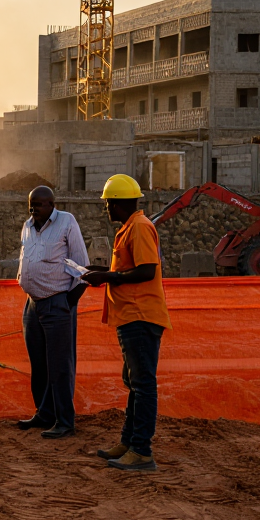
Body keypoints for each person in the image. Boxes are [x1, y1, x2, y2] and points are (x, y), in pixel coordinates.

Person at [83, 174, 171, 472]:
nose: (106, 209)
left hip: (141, 316)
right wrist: (101, 271)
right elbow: (130, 268)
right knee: (134, 383)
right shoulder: (129, 228)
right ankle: (129, 442)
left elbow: (147, 271)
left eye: (107, 204)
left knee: (143, 385)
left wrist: (106, 277)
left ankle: (142, 451)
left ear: (117, 204)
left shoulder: (140, 228)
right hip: (130, 316)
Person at [16, 186, 89, 439]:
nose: (32, 208)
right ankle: (44, 413)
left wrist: (68, 302)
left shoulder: (66, 222)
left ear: (51, 205)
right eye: (30, 204)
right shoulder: (27, 226)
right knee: (39, 364)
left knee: (60, 365)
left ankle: (64, 421)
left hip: (57, 301)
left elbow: (82, 268)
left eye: (37, 204)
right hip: (33, 303)